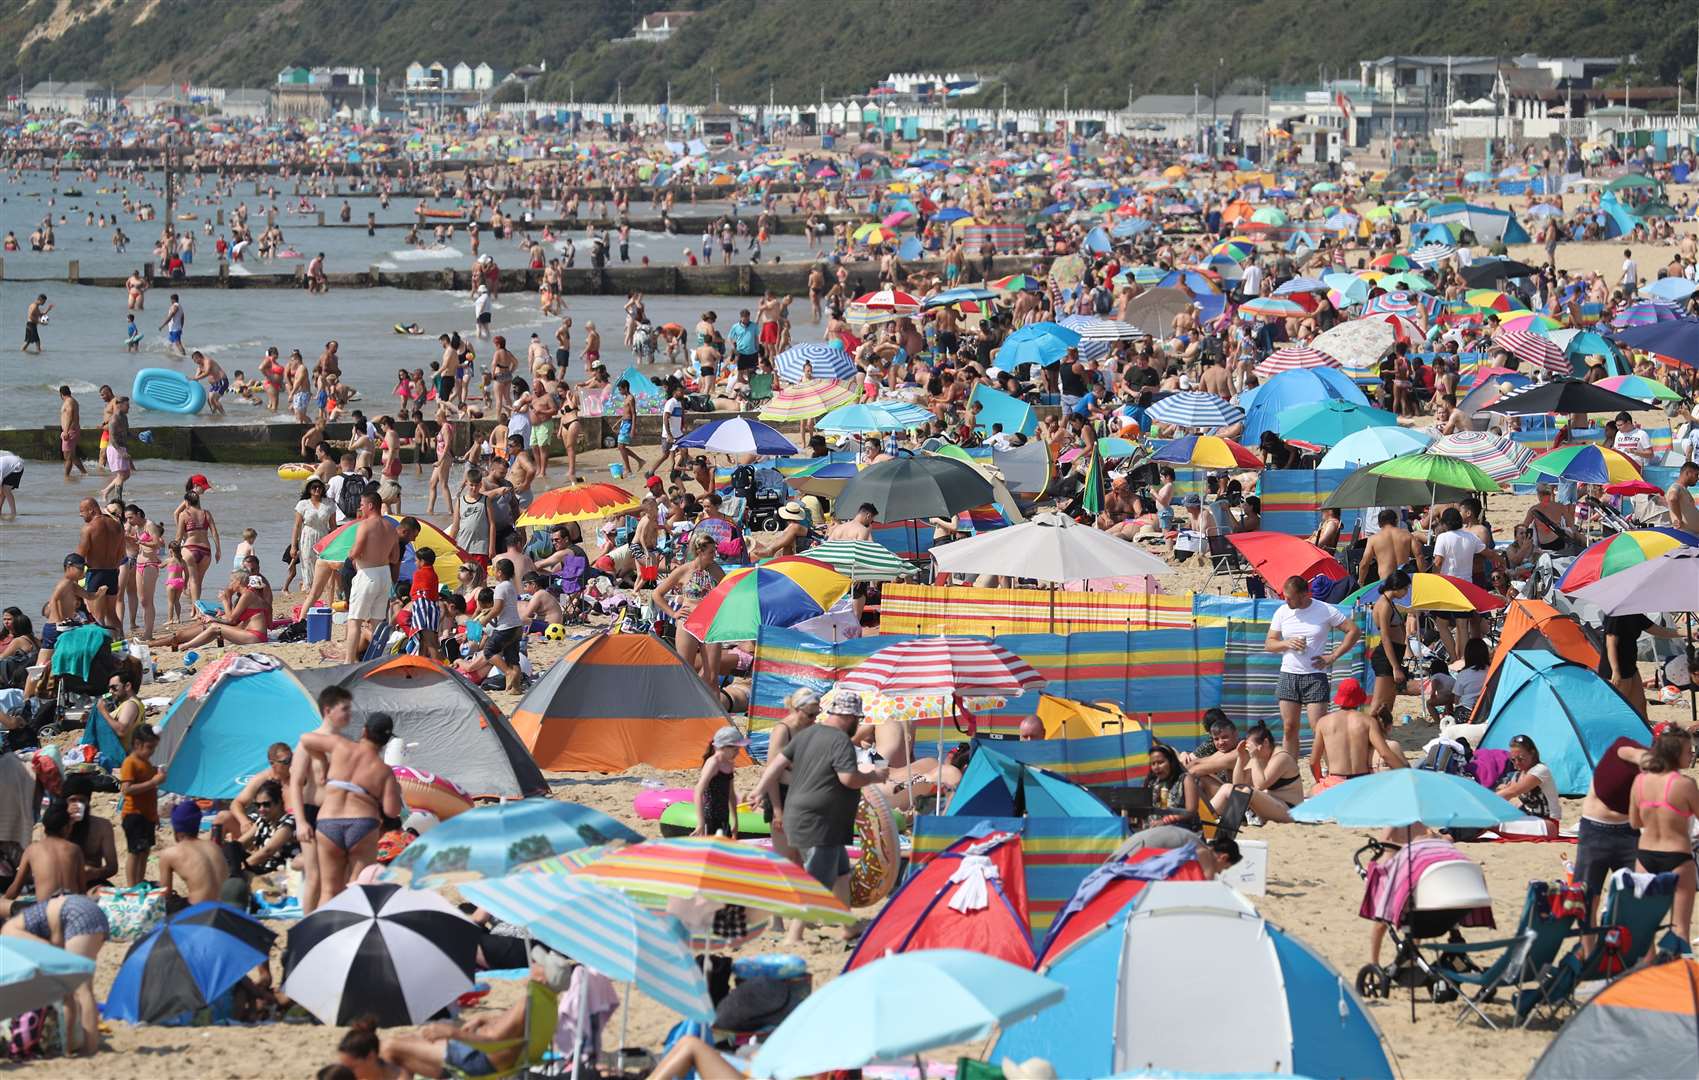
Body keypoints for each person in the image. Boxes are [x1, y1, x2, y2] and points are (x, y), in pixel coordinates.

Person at [750, 688, 887, 944]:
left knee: (841, 872)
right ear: (848, 717)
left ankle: (846, 925)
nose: (857, 724)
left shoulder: (810, 733)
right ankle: (794, 934)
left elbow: (776, 764)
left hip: (807, 815)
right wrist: (873, 776)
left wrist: (758, 790)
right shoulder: (840, 741)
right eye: (857, 719)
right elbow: (848, 779)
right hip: (819, 820)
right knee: (816, 878)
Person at [296, 713, 403, 903]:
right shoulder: (384, 770)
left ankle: (324, 932)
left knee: (328, 890)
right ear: (387, 741)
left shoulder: (340, 745)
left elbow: (305, 738)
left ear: (364, 730)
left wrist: (320, 761)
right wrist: (394, 790)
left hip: (329, 821)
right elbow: (391, 811)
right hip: (362, 823)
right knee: (359, 887)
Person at [1265, 575, 1360, 761]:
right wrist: (1287, 643)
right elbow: (1269, 644)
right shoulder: (1282, 612)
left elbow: (1354, 631)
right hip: (1289, 674)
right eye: (1285, 596)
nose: (1286, 600)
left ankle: (1330, 768)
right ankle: (1289, 769)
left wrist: (1332, 656)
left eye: (1290, 597)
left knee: (1319, 727)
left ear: (1303, 595)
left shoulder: (1324, 610)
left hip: (1315, 676)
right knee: (1289, 727)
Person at [1629, 726, 1699, 943]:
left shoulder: (1640, 781)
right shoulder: (1685, 784)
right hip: (1677, 856)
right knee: (1680, 931)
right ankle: (1678, 974)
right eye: (1688, 750)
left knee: (1645, 930)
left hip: (1646, 856)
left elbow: (1634, 822)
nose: (1692, 754)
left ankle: (1649, 972)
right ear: (1676, 753)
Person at [1574, 736, 1648, 935]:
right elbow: (1633, 753)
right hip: (1595, 830)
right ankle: (1588, 953)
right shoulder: (1623, 747)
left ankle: (1642, 955)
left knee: (1638, 895)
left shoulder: (1645, 777)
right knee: (1588, 898)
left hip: (1628, 832)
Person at [1309, 678, 1409, 789]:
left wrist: (1319, 781)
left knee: (1312, 791)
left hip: (1335, 782)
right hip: (1361, 782)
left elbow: (1314, 761)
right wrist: (1406, 774)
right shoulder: (1367, 721)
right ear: (1359, 699)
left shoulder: (1323, 722)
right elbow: (1385, 754)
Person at [344, 490, 400, 663]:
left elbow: (356, 551)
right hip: (384, 574)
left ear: (370, 505)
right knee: (377, 622)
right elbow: (395, 558)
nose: (360, 507)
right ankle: (375, 660)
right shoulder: (391, 527)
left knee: (355, 620)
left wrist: (352, 553)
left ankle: (348, 661)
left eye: (362, 504)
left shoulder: (366, 525)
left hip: (367, 574)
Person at [1604, 607, 1682, 719]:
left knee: (1640, 705)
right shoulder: (1615, 614)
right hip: (1616, 667)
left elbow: (1660, 631)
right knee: (1619, 708)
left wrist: (1688, 632)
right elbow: (1610, 643)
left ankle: (1646, 733)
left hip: (1630, 665)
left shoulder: (1635, 614)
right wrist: (1615, 671)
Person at [156, 800, 231, 912]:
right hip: (226, 909)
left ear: (176, 830)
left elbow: (165, 895)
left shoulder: (169, 854)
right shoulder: (214, 847)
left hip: (199, 913)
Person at [118, 725, 166, 886]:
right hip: (133, 814)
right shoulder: (130, 762)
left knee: (145, 850)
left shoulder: (147, 763)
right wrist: (153, 782)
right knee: (135, 851)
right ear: (137, 744)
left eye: (154, 748)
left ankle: (139, 881)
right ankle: (132, 884)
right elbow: (127, 789)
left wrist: (155, 815)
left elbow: (151, 794)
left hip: (147, 815)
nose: (152, 751)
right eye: (149, 747)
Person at [1495, 733, 1562, 836]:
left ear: (1532, 753)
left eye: (1521, 759)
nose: (1517, 763)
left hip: (1547, 824)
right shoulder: (1518, 775)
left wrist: (1486, 801)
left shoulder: (1540, 770)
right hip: (1531, 819)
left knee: (1490, 824)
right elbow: (1506, 793)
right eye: (1513, 760)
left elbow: (1512, 791)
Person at [1367, 570, 1411, 724]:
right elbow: (1385, 637)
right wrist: (1395, 667)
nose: (1406, 592)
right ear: (1397, 586)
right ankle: (1367, 735)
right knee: (1378, 702)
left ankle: (1382, 731)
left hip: (1394, 653)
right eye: (1405, 589)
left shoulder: (1389, 602)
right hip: (1386, 656)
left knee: (1389, 701)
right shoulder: (1384, 604)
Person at [694, 726, 747, 837]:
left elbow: (731, 794)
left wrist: (735, 821)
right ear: (723, 747)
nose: (737, 753)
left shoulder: (729, 763)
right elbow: (698, 791)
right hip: (710, 817)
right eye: (735, 749)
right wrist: (700, 822)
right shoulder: (713, 763)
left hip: (724, 817)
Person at [1144, 743, 1198, 825]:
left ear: (1171, 762)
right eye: (1153, 763)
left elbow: (1190, 811)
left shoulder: (1185, 779)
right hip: (1153, 832)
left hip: (1181, 832)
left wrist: (1165, 821)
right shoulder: (1151, 782)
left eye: (1160, 762)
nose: (1156, 767)